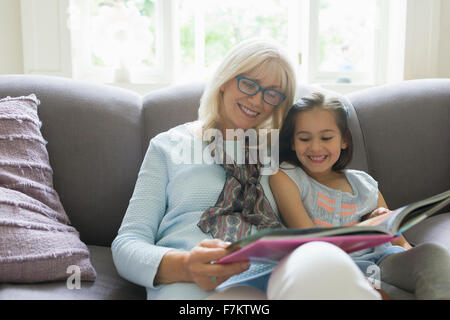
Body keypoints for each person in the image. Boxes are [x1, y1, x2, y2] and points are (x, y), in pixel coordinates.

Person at [111, 39, 382, 300]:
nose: (258, 100)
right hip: (194, 279)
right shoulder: (168, 146)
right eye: (249, 83)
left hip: (277, 271)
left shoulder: (283, 151)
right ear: (225, 80)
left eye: (272, 93)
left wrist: (373, 220)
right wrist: (184, 265)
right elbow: (128, 243)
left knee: (324, 259)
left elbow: (331, 196)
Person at [269, 92, 450, 299]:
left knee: (433, 255)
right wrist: (365, 228)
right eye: (304, 138)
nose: (315, 147)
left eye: (326, 137)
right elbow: (308, 239)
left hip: (385, 261)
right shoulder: (288, 177)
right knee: (378, 293)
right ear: (292, 142)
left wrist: (387, 225)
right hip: (342, 268)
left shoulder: (364, 183)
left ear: (344, 140)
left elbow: (398, 242)